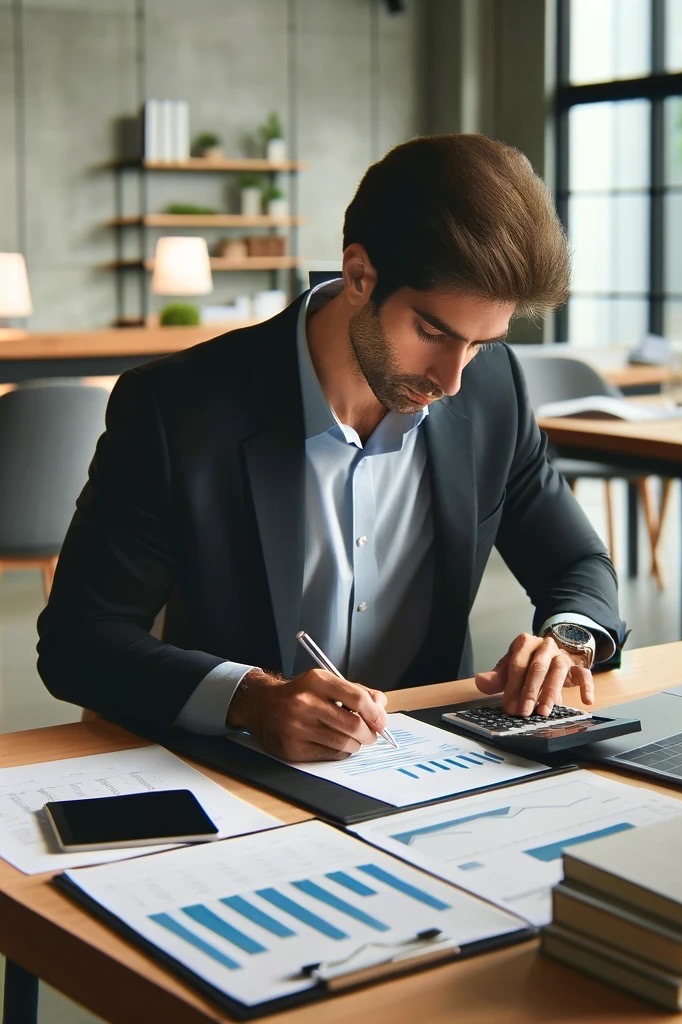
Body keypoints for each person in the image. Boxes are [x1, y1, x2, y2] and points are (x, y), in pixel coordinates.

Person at [37, 133, 627, 762]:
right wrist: (252, 699)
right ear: (359, 275)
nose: (453, 379)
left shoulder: (492, 390)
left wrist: (567, 641)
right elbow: (81, 639)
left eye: (480, 344)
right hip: (240, 766)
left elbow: (577, 562)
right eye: (432, 332)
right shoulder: (176, 408)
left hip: (431, 763)